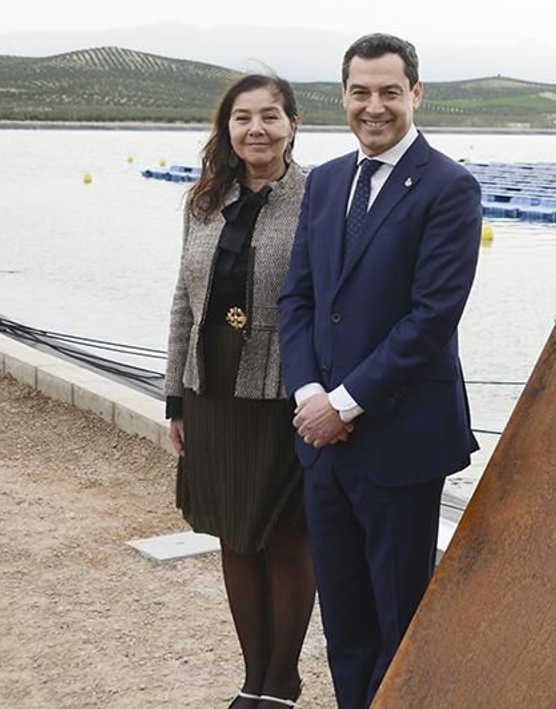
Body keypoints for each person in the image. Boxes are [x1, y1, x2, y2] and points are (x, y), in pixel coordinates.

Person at [278, 33, 483, 709]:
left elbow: (430, 320)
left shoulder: (450, 188)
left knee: (400, 622)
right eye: (360, 92)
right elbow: (298, 298)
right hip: (321, 444)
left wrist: (345, 402)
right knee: (344, 624)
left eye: (389, 92)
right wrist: (309, 395)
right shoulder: (326, 180)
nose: (374, 107)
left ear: (415, 94)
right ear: (343, 97)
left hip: (398, 441)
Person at [163, 73, 314, 709]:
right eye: (243, 117)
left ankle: (282, 682)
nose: (256, 129)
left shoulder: (319, 198)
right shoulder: (203, 201)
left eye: (270, 117)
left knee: (283, 534)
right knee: (231, 534)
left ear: (291, 126)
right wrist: (175, 396)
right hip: (211, 390)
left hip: (282, 393)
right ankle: (252, 678)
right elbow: (183, 300)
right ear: (227, 128)